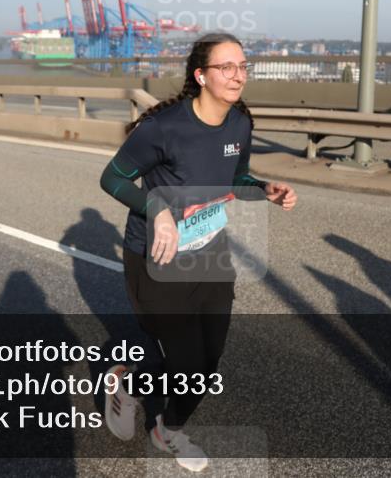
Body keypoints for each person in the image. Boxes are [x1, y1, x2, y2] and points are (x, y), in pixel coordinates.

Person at [98, 32, 297, 471]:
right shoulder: (163, 129)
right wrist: (157, 210)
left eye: (243, 66)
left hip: (210, 256)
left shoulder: (240, 123)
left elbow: (235, 180)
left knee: (208, 362)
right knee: (186, 364)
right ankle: (161, 423)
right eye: (226, 67)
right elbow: (112, 178)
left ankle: (153, 410)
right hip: (157, 260)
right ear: (201, 76)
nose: (238, 75)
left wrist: (265, 188)